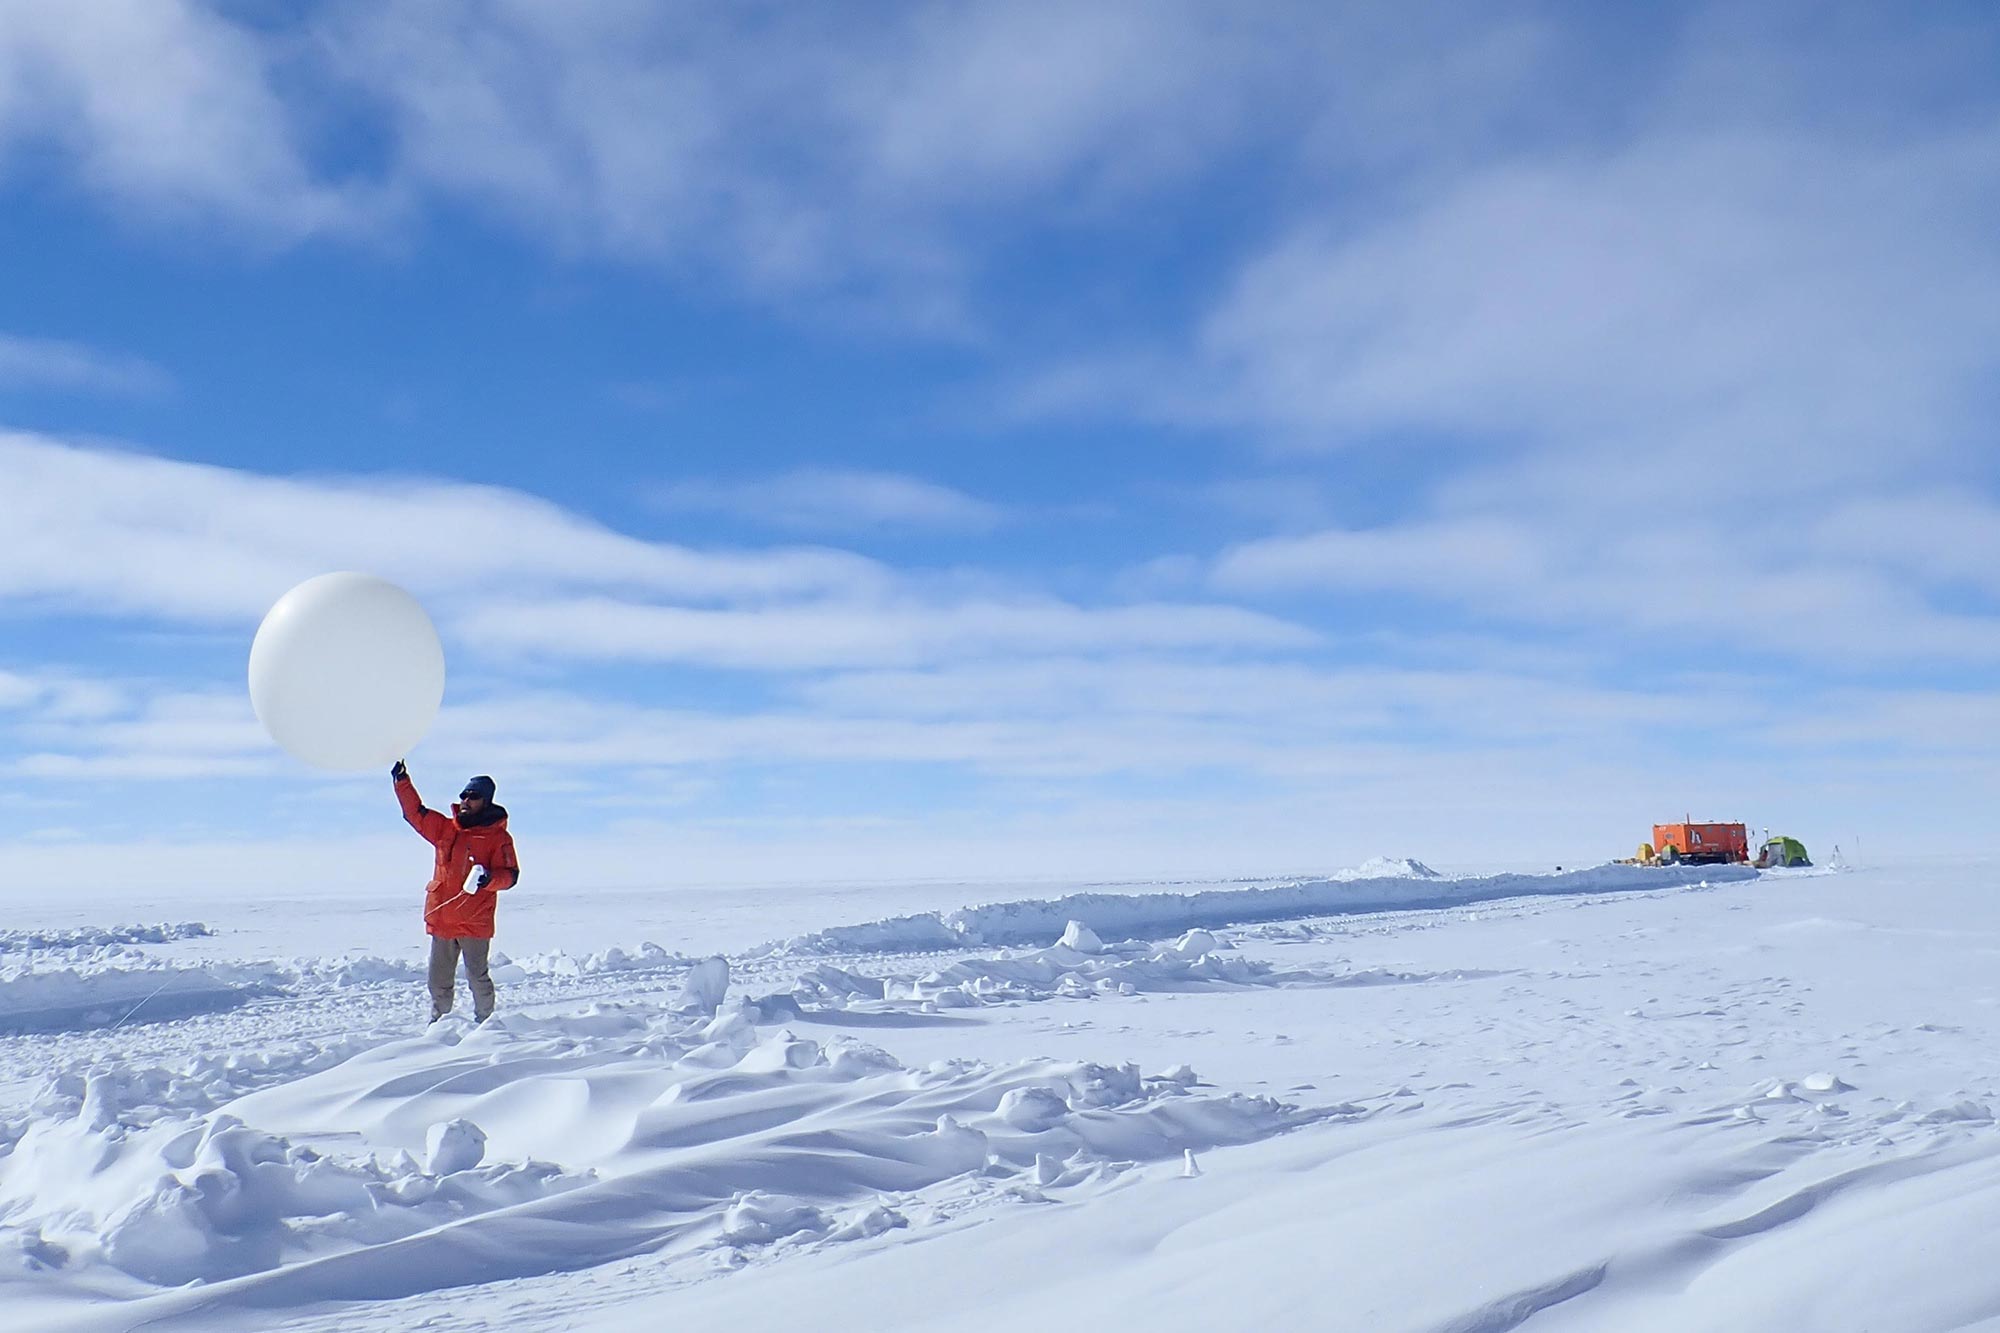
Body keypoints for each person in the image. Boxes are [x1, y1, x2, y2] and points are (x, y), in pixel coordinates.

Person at [392, 761, 520, 1023]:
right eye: (464, 795)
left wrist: (489, 879)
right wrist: (402, 782)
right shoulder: (445, 829)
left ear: (485, 801)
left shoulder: (498, 838)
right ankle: (439, 1025)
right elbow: (415, 813)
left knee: (477, 978)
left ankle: (486, 1025)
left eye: (473, 796)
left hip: (475, 921)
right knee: (438, 981)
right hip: (443, 919)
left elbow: (510, 876)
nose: (465, 800)